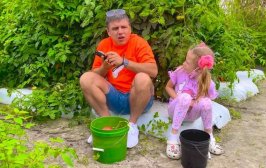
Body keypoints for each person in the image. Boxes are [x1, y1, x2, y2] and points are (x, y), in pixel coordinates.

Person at [79, 9, 158, 148]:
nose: (120, 32)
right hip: (114, 97)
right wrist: (105, 67)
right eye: (115, 28)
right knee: (86, 78)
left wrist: (124, 62)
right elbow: (94, 75)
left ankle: (132, 126)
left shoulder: (139, 43)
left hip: (138, 98)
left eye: (124, 27)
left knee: (143, 78)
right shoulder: (104, 44)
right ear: (108, 32)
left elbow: (153, 71)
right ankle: (107, 124)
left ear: (130, 29)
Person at [165, 44, 224, 159]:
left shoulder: (207, 81)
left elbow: (209, 100)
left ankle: (209, 137)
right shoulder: (180, 72)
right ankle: (173, 138)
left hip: (192, 114)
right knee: (185, 97)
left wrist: (197, 101)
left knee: (206, 102)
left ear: (198, 69)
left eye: (187, 62)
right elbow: (168, 87)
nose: (183, 63)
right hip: (176, 110)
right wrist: (181, 100)